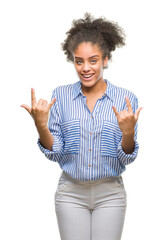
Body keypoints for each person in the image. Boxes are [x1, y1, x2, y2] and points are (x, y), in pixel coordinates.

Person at [21, 12, 142, 240]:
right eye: (79, 61)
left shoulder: (126, 99)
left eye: (93, 60)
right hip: (71, 193)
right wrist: (41, 126)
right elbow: (55, 152)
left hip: (110, 194)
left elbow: (127, 157)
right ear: (74, 60)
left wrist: (128, 133)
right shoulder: (61, 96)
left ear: (105, 59)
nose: (85, 68)